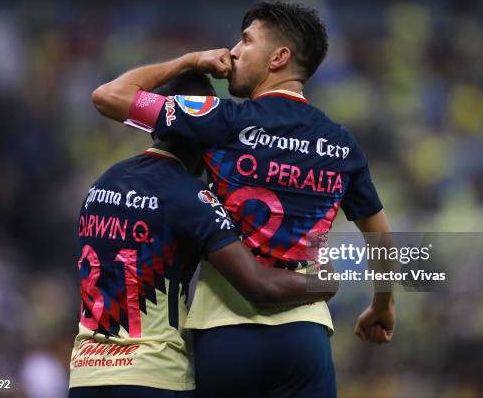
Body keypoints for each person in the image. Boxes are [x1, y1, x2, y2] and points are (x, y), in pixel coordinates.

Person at [92, 1, 396, 397]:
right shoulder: (341, 144)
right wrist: (383, 305)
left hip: (224, 334)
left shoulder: (221, 119)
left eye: (246, 41)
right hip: (304, 338)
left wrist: (189, 61)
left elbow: (109, 96)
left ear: (279, 57)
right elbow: (382, 239)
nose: (234, 51)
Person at [69, 73, 336, 398]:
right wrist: (321, 283)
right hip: (155, 376)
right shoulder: (191, 197)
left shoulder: (102, 184)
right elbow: (257, 285)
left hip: (85, 376)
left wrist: (191, 62)